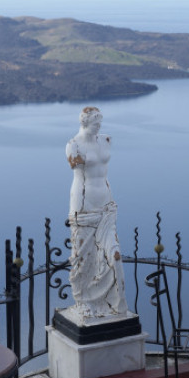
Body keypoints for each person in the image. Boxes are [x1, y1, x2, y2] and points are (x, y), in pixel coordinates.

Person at [65, 107, 128, 318]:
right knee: (83, 258)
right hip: (84, 206)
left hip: (107, 204)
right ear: (84, 123)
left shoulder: (106, 140)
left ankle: (111, 302)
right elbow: (76, 168)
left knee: (114, 255)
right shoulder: (73, 146)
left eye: (100, 124)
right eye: (95, 124)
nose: (99, 127)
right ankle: (84, 301)